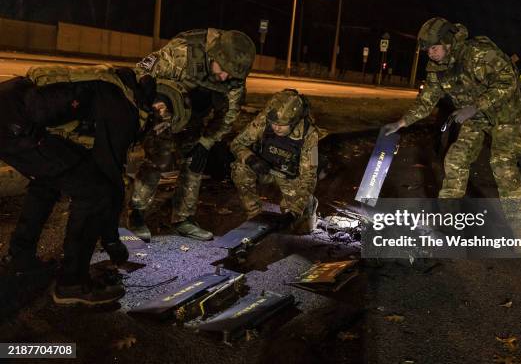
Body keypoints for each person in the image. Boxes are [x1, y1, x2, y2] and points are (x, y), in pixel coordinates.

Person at [0, 64, 156, 304]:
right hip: (16, 127)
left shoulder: (105, 82)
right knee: (95, 193)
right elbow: (110, 175)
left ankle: (20, 257)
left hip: (10, 108)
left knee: (48, 179)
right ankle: (72, 283)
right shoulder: (123, 109)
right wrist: (112, 240)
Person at [383, 17, 521, 253]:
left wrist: (475, 106)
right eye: (427, 50)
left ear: (448, 42)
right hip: (475, 118)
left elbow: (508, 82)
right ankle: (449, 223)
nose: (430, 54)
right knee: (455, 160)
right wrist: (400, 123)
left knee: (503, 167)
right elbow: (426, 101)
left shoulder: (477, 53)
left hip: (505, 116)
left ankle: (520, 232)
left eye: (434, 47)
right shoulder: (437, 69)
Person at [129, 28, 256, 242]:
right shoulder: (183, 53)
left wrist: (206, 142)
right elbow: (143, 68)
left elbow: (228, 116)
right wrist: (149, 91)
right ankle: (136, 213)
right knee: (158, 161)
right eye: (223, 69)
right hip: (165, 114)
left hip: (195, 118)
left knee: (196, 161)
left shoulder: (233, 76)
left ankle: (183, 218)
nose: (225, 77)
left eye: (231, 74)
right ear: (214, 55)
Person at [230, 89, 319, 233]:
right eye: (274, 123)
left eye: (282, 125)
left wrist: (294, 212)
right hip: (265, 169)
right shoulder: (264, 120)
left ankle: (310, 206)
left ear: (294, 121)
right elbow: (236, 144)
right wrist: (251, 159)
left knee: (299, 229)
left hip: (291, 178)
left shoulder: (310, 135)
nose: (276, 128)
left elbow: (309, 176)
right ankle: (255, 215)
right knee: (240, 168)